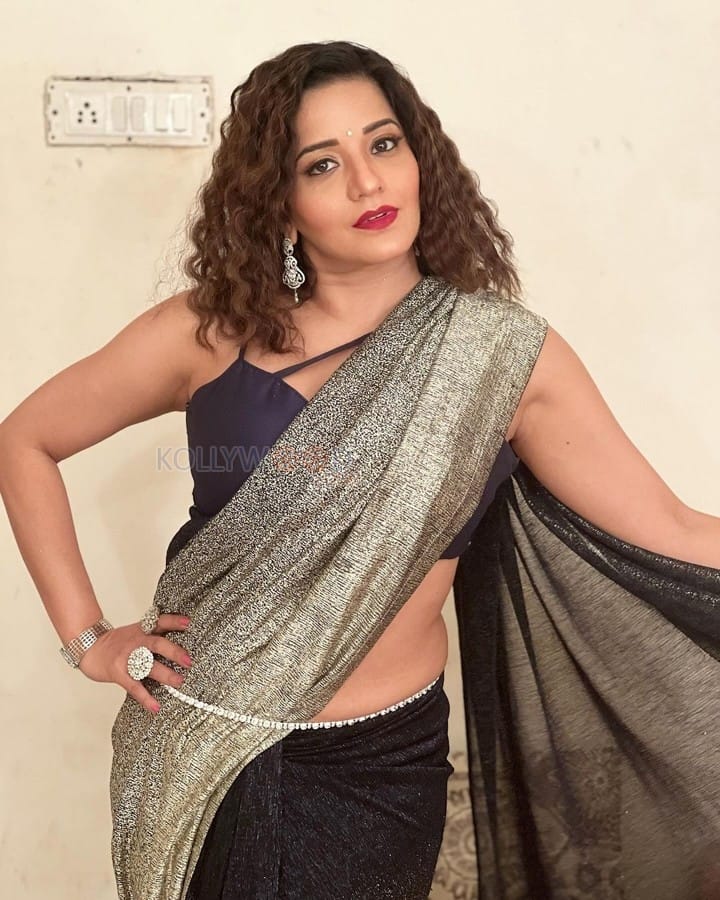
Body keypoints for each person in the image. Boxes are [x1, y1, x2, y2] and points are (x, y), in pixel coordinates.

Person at [0, 39, 718, 900]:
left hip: (381, 768)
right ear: (279, 199)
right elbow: (25, 440)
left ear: (421, 158)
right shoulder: (209, 332)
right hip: (201, 746)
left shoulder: (500, 357)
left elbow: (672, 531)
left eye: (383, 144)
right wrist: (89, 640)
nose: (367, 183)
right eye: (322, 164)